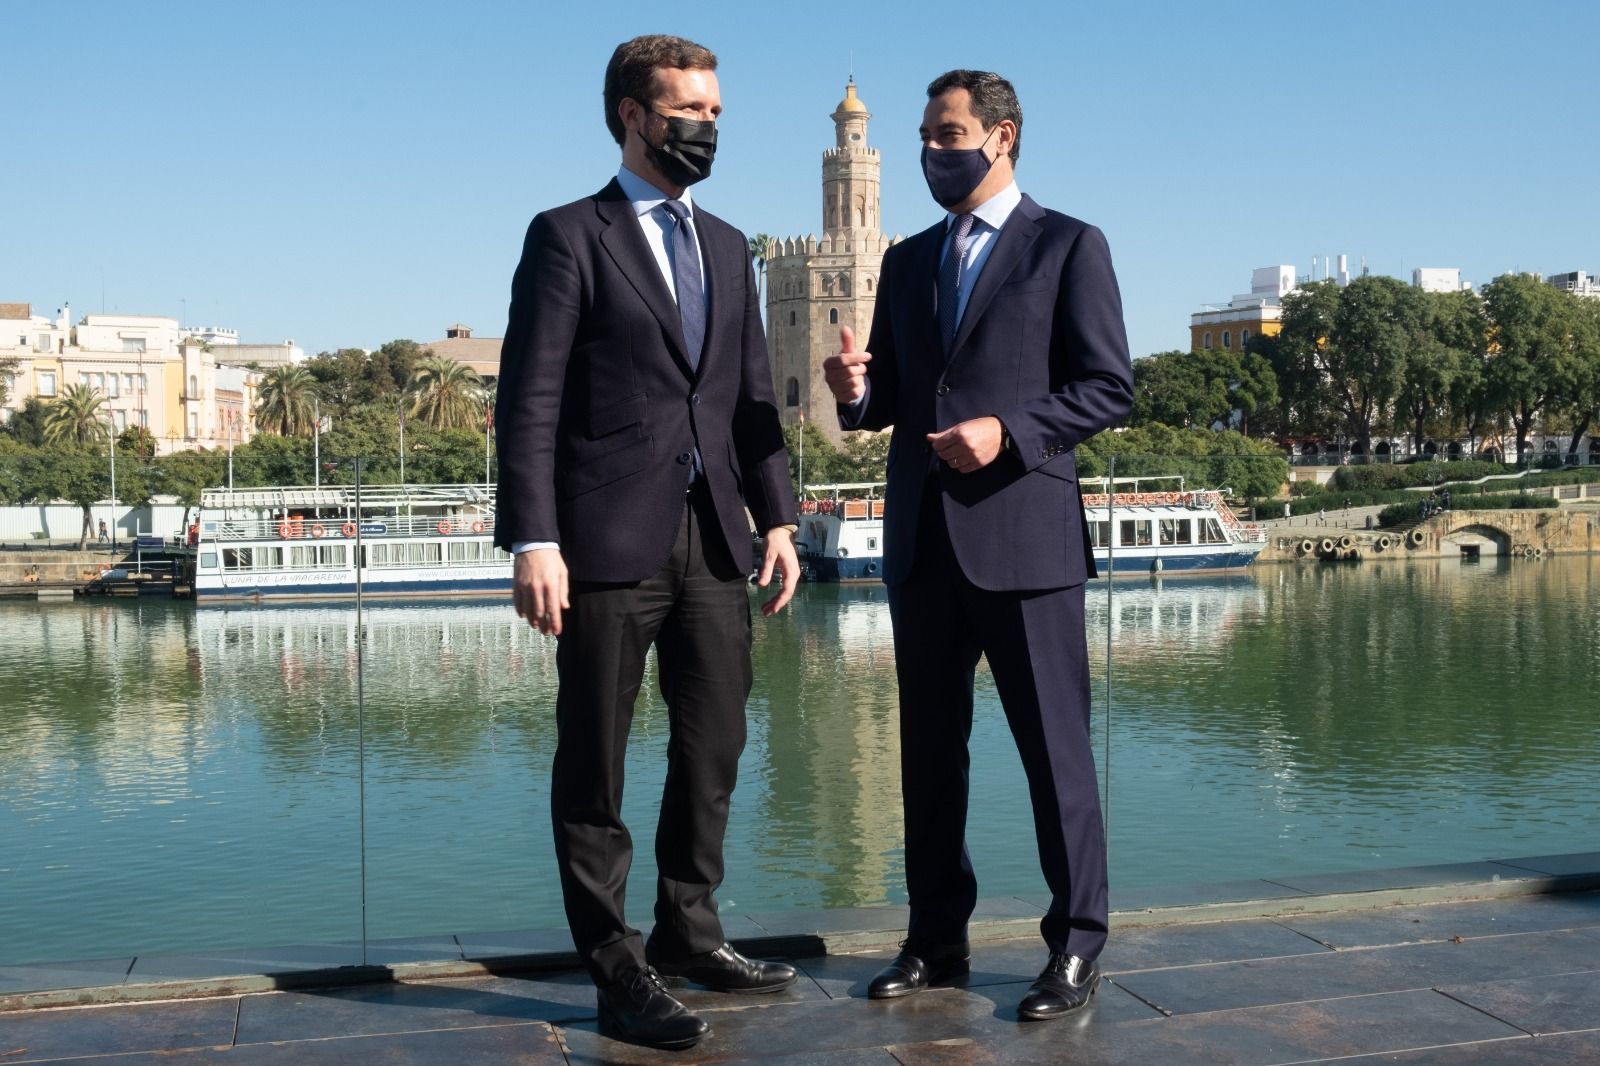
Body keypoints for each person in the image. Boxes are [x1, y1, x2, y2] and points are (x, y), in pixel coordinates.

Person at [494, 34, 801, 1051]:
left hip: (716, 537)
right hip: (600, 542)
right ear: (632, 114)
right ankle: (615, 968)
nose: (706, 128)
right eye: (688, 111)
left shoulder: (728, 245)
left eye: (715, 112)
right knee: (597, 761)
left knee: (714, 746)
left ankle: (688, 930)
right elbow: (529, 401)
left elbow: (753, 400)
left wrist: (782, 516)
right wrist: (533, 536)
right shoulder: (568, 236)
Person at [823, 70, 1132, 1021]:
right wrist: (851, 393)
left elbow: (1109, 387)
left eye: (947, 134)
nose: (930, 151)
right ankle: (934, 940)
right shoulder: (909, 260)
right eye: (922, 136)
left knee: (1055, 754)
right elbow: (894, 401)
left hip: (1025, 541)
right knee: (928, 754)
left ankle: (1075, 945)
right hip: (923, 544)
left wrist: (1010, 430)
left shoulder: (1070, 246)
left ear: (1000, 137)